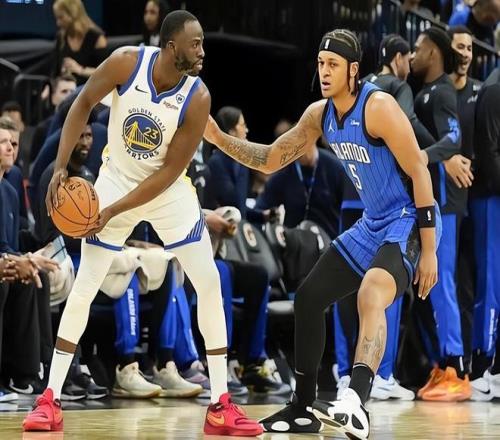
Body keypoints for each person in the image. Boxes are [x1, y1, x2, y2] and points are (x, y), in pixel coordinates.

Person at [22, 10, 261, 436]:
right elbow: (82, 103)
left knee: (208, 281)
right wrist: (59, 167)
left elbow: (167, 173)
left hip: (167, 193)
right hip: (116, 179)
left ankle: (220, 404)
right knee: (86, 282)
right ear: (170, 46)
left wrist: (114, 212)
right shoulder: (126, 63)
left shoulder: (198, 97)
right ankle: (50, 399)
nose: (202, 51)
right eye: (195, 43)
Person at [205, 28, 441, 439]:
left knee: (371, 293)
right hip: (372, 222)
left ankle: (356, 402)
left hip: (407, 219)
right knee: (309, 298)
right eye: (320, 63)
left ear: (353, 70)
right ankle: (302, 408)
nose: (325, 71)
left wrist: (430, 250)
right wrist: (217, 137)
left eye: (333, 64)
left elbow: (420, 171)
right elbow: (270, 159)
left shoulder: (378, 107)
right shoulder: (320, 115)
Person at [411, 27, 471, 401]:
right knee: (428, 284)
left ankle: (456, 369)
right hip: (428, 200)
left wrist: (425, 156)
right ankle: (441, 364)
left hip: (445, 202)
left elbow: (453, 138)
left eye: (418, 49)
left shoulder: (443, 90)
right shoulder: (424, 91)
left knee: (442, 279)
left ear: (432, 51)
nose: (413, 55)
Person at [52, 0, 108, 85]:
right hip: (67, 89)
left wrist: (80, 70)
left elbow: (105, 73)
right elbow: (55, 73)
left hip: (89, 88)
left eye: (61, 17)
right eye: (57, 18)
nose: (58, 23)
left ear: (73, 14)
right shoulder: (61, 37)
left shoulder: (96, 38)